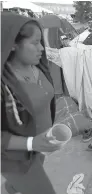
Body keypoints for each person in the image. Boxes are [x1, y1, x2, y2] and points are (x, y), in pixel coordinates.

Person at [1, 12, 61, 194]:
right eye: (35, 42)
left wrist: (41, 140)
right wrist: (31, 143)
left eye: (41, 41)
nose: (42, 48)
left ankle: (11, 188)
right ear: (12, 44)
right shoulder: (4, 84)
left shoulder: (38, 66)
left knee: (21, 185)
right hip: (15, 157)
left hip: (40, 144)